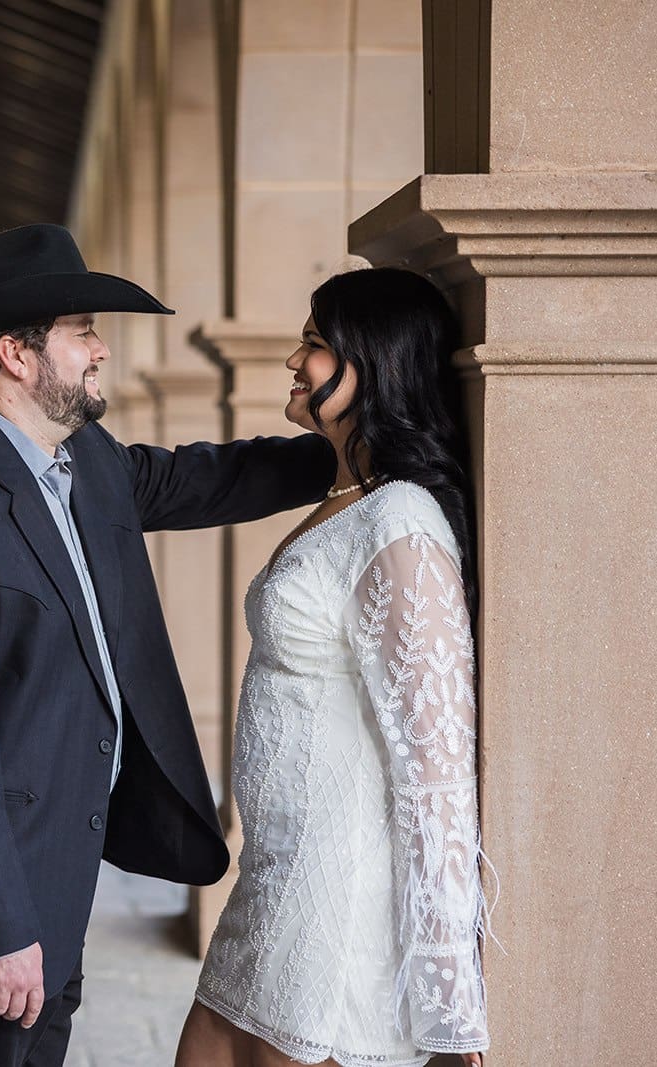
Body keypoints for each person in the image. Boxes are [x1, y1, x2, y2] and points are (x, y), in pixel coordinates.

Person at [0, 223, 338, 1067]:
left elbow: (202, 477)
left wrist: (357, 450)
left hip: (58, 877)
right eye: (82, 330)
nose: (101, 348)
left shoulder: (86, 462)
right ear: (16, 355)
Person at [175, 267, 494, 1067]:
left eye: (316, 346)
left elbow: (437, 772)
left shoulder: (403, 522)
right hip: (270, 887)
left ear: (377, 367)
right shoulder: (351, 494)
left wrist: (452, 1011)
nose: (293, 358)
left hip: (335, 913)